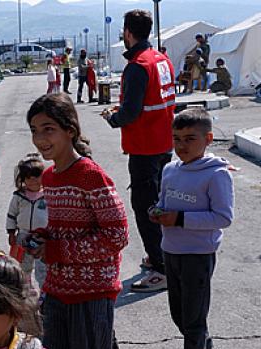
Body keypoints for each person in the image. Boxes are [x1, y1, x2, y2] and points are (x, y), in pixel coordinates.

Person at [29, 93, 176, 349]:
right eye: (34, 131)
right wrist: (45, 240)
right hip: (58, 289)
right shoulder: (49, 175)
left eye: (48, 129)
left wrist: (59, 251)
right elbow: (65, 230)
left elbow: (116, 236)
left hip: (93, 291)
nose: (41, 139)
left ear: (69, 130)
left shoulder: (92, 175)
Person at [151, 109, 234, 349]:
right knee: (180, 314)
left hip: (198, 254)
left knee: (194, 318)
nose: (182, 145)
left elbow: (223, 217)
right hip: (171, 250)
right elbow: (164, 201)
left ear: (208, 139)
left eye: (190, 138)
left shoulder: (216, 174)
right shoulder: (170, 170)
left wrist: (180, 219)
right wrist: (158, 212)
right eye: (176, 138)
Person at [103, 9, 176, 293]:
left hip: (145, 147)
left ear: (127, 32)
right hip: (164, 144)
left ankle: (161, 269)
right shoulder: (161, 59)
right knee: (161, 202)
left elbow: (131, 112)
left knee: (146, 207)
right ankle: (161, 255)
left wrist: (113, 118)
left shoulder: (137, 66)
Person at [7, 155, 48, 290]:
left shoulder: (48, 195)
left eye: (36, 176)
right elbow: (12, 215)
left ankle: (44, 294)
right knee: (23, 267)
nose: (33, 180)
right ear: (22, 179)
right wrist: (11, 233)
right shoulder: (19, 196)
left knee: (43, 268)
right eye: (28, 177)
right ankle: (26, 292)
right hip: (23, 236)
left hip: (42, 238)